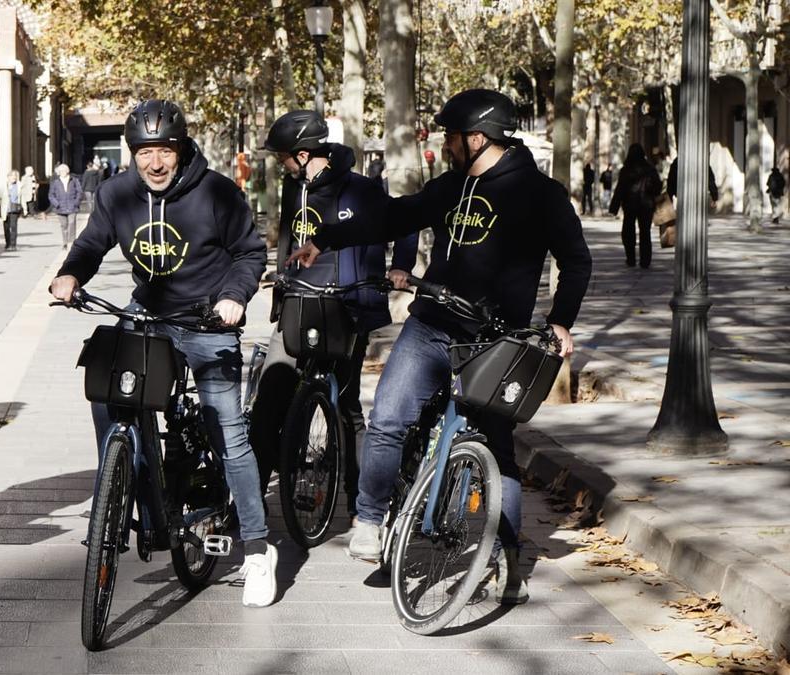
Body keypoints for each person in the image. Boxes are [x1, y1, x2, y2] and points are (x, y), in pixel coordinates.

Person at [288, 88, 592, 605]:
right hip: (430, 324)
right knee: (388, 418)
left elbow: (577, 260)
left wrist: (561, 321)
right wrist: (327, 238)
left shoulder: (542, 194)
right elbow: (392, 217)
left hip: (497, 339)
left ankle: (508, 562)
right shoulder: (450, 187)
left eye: (451, 135)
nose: (444, 144)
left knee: (499, 449)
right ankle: (369, 521)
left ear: (476, 138)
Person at [49, 99, 277, 608]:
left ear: (181, 149)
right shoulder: (117, 194)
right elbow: (91, 244)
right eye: (144, 152)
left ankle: (259, 551)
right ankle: (119, 489)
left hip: (208, 319)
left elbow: (249, 252)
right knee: (107, 389)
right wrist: (70, 276)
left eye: (165, 151)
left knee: (227, 430)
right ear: (132, 153)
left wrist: (234, 297)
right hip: (150, 314)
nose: (155, 163)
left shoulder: (216, 191)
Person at [249, 109, 417, 523]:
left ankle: (363, 505)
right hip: (298, 305)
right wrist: (280, 284)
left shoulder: (361, 190)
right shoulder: (293, 190)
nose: (282, 164)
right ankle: (250, 500)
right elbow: (288, 238)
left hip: (348, 308)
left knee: (345, 406)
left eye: (284, 157)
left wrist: (401, 267)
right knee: (270, 397)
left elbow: (407, 224)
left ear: (303, 155)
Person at [609, 144, 663, 268]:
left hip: (630, 204)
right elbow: (658, 186)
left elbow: (620, 189)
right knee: (645, 232)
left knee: (628, 231)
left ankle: (631, 259)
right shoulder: (650, 169)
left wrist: (614, 207)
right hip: (646, 205)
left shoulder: (626, 170)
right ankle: (645, 261)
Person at [48, 163, 83, 249]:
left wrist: (76, 202)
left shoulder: (74, 180)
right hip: (60, 208)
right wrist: (57, 204)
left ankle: (71, 242)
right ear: (59, 172)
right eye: (61, 171)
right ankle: (65, 242)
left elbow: (79, 192)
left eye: (64, 171)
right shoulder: (55, 182)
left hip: (72, 207)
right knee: (64, 226)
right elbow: (51, 195)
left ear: (67, 171)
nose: (62, 172)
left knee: (72, 224)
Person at [0, 170, 23, 251]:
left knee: (14, 227)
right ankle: (7, 243)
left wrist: (24, 209)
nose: (14, 177)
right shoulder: (4, 186)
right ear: (8, 177)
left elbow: (22, 197)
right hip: (5, 209)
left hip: (15, 209)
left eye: (15, 176)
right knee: (6, 227)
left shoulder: (19, 185)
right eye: (12, 176)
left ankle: (13, 245)